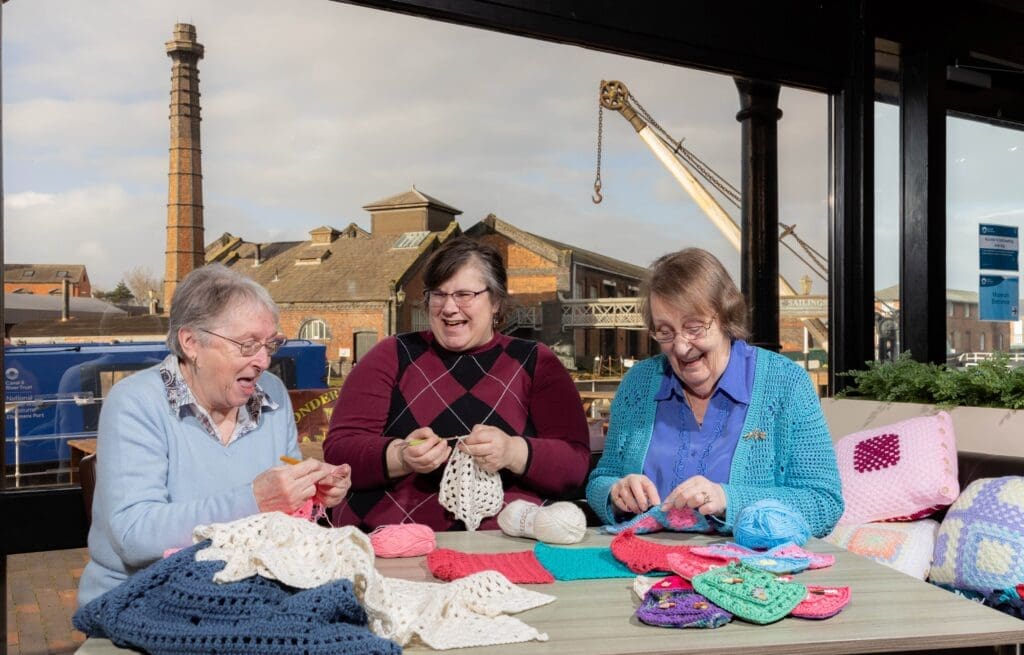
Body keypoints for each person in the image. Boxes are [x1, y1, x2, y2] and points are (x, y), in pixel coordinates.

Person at [78, 265, 351, 606]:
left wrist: (311, 492)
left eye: (270, 344)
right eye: (248, 345)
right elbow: (136, 537)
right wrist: (255, 500)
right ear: (191, 343)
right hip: (143, 599)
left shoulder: (273, 393)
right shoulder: (135, 402)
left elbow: (286, 520)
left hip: (248, 594)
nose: (264, 360)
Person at [324, 236, 590, 531]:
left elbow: (574, 467)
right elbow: (339, 452)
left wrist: (512, 452)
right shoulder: (391, 355)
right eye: (438, 294)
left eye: (464, 294)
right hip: (388, 544)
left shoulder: (536, 362)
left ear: (496, 301)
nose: (449, 308)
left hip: (504, 547)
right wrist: (400, 456)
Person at [586, 248, 842, 537]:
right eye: (665, 332)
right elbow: (600, 479)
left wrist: (727, 500)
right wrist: (615, 494)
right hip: (641, 565)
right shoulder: (639, 384)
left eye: (694, 327)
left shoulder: (786, 383)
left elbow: (824, 504)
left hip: (747, 571)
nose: (681, 347)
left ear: (725, 317)